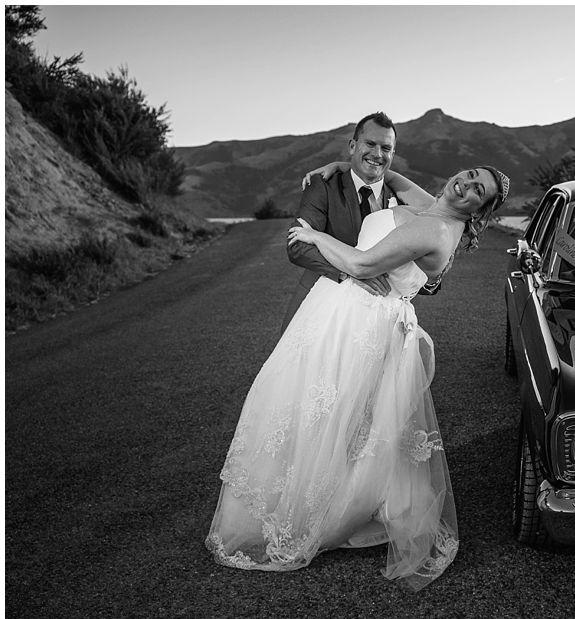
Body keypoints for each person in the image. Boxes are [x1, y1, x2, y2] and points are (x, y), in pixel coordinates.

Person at [205, 165, 510, 591]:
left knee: (327, 411)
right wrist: (339, 168)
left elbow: (363, 263)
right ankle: (303, 491)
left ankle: (312, 511)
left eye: (479, 190)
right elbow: (400, 182)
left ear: (481, 210)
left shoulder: (437, 231)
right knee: (330, 409)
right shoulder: (435, 206)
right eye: (470, 174)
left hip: (361, 321)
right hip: (351, 314)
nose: (467, 184)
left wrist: (316, 237)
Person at [282, 111, 429, 332]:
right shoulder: (324, 185)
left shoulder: (401, 199)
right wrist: (352, 271)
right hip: (321, 304)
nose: (377, 154)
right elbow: (297, 245)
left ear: (393, 153)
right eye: (370, 143)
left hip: (379, 320)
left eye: (386, 148)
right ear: (352, 146)